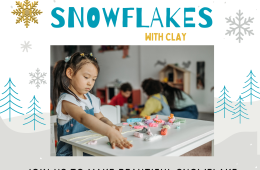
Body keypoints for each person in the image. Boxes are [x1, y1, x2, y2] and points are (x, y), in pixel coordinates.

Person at [53, 52, 132, 156]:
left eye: (94, 79)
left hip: (88, 148)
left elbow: (100, 118)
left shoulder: (91, 98)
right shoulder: (67, 100)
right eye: (86, 77)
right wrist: (109, 132)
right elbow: (83, 117)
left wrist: (111, 125)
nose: (90, 83)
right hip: (71, 154)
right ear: (70, 73)